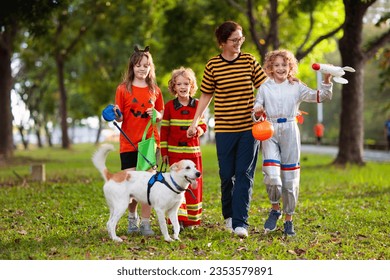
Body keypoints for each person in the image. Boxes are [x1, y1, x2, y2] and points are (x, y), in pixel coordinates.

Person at [187, 21, 267, 238]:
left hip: (248, 129)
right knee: (226, 175)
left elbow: (265, 86)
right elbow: (206, 95)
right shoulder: (213, 65)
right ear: (222, 42)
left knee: (244, 174)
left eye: (241, 38)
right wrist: (195, 121)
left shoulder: (249, 61)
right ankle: (229, 216)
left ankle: (241, 222)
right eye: (234, 40)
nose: (238, 43)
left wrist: (266, 103)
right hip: (224, 129)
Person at [253, 49, 333, 236]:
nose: (280, 68)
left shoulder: (296, 86)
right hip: (269, 130)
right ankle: (275, 209)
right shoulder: (265, 87)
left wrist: (327, 81)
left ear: (290, 67)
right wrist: (256, 111)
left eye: (284, 65)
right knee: (272, 176)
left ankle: (288, 219)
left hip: (290, 129)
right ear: (270, 67)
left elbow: (321, 96)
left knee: (290, 181)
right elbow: (256, 110)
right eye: (276, 65)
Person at [113, 46, 164, 236]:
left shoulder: (155, 91)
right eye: (138, 65)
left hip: (149, 144)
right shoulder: (122, 89)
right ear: (132, 67)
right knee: (132, 186)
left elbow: (161, 115)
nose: (142, 69)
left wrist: (157, 114)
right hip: (128, 144)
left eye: (146, 65)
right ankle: (132, 218)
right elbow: (119, 116)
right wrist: (115, 114)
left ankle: (145, 223)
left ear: (150, 68)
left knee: (148, 185)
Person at [160, 67, 207, 229]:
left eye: (186, 83)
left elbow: (203, 126)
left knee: (194, 185)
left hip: (193, 154)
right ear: (174, 87)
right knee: (175, 186)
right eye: (178, 84)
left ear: (191, 85)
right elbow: (164, 131)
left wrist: (198, 130)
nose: (182, 87)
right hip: (175, 155)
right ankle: (177, 218)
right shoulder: (169, 107)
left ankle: (191, 220)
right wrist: (164, 152)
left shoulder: (198, 105)